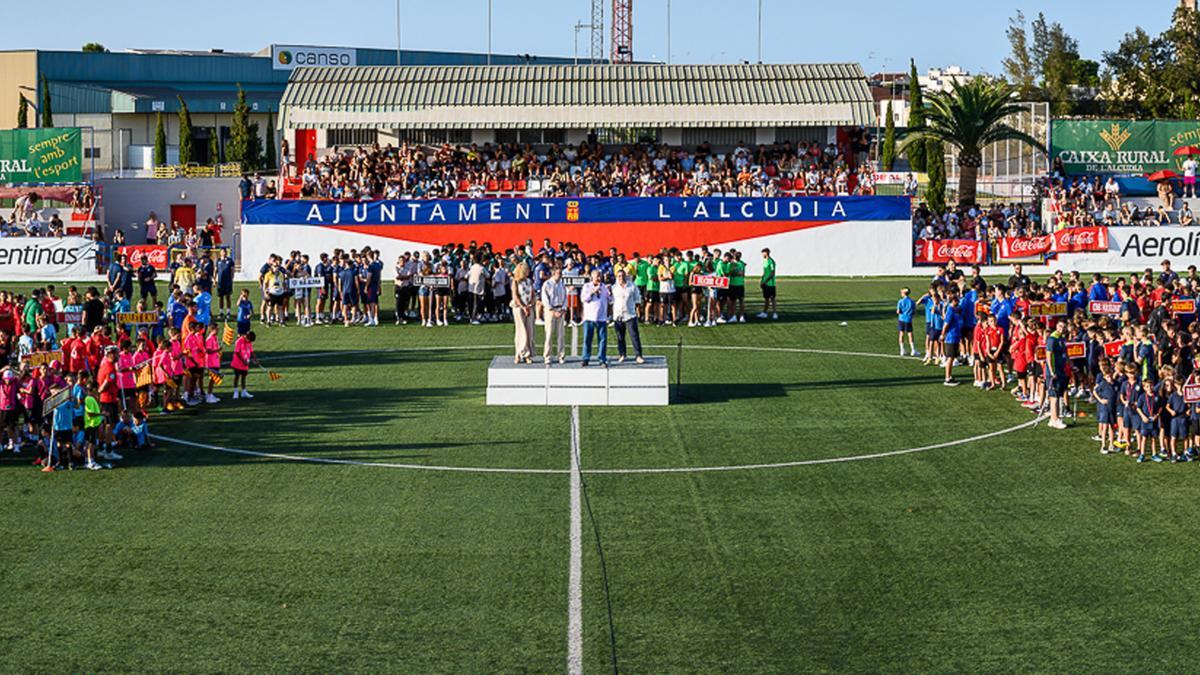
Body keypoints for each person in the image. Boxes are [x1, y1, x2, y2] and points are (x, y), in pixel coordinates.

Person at [611, 268, 644, 364]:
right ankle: (622, 354)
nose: (621, 278)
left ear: (625, 276)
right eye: (619, 276)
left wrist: (638, 311)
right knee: (620, 337)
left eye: (622, 275)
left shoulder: (632, 286)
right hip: (618, 315)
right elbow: (610, 301)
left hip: (630, 315)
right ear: (616, 277)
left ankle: (638, 355)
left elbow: (637, 299)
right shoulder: (613, 288)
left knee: (634, 336)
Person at [580, 269, 611, 367]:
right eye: (597, 276)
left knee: (602, 339)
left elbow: (610, 300)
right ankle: (585, 358)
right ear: (592, 277)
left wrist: (610, 292)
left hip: (601, 317)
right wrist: (593, 292)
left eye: (600, 276)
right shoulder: (587, 286)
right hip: (589, 317)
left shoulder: (604, 287)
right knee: (587, 339)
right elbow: (584, 299)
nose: (599, 278)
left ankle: (602, 359)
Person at [541, 265, 567, 364]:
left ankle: (561, 355)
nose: (560, 275)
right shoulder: (547, 284)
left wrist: (564, 309)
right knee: (549, 334)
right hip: (550, 311)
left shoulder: (562, 284)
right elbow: (545, 299)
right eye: (558, 273)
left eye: (561, 273)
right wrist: (552, 311)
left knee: (561, 335)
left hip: (560, 309)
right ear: (553, 273)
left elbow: (565, 297)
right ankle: (547, 356)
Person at [510, 262, 535, 364]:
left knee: (529, 331)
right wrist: (523, 306)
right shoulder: (515, 282)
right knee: (521, 330)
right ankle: (519, 353)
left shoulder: (529, 281)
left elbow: (533, 294)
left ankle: (527, 354)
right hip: (519, 308)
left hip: (529, 307)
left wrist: (530, 304)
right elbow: (515, 296)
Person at [231, 331, 256, 400]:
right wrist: (243, 360)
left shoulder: (249, 342)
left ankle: (243, 392)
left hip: (245, 362)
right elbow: (237, 352)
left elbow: (251, 351)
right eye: (249, 340)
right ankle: (235, 392)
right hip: (238, 362)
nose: (250, 342)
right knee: (237, 377)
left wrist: (255, 359)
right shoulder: (239, 341)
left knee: (243, 377)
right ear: (247, 337)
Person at [757, 248, 777, 320]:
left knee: (772, 298)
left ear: (767, 253)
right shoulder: (765, 261)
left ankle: (774, 313)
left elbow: (772, 273)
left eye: (763, 253)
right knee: (766, 298)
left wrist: (765, 281)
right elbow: (764, 272)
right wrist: (761, 280)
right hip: (765, 283)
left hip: (770, 283)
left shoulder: (771, 261)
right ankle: (764, 313)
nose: (762, 254)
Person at [896, 287, 916, 357]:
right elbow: (914, 311)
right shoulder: (912, 301)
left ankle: (902, 350)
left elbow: (898, 311)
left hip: (901, 319)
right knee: (910, 334)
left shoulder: (900, 301)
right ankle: (913, 350)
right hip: (909, 319)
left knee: (901, 334)